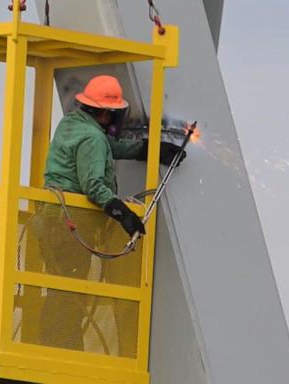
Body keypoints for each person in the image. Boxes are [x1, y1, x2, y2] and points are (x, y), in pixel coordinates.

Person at [35, 75, 185, 353]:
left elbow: (107, 148)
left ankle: (55, 344)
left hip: (51, 220)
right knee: (69, 293)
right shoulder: (91, 137)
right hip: (70, 225)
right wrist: (124, 215)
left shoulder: (73, 125)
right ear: (105, 112)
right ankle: (63, 348)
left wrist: (149, 150)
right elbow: (93, 184)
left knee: (60, 289)